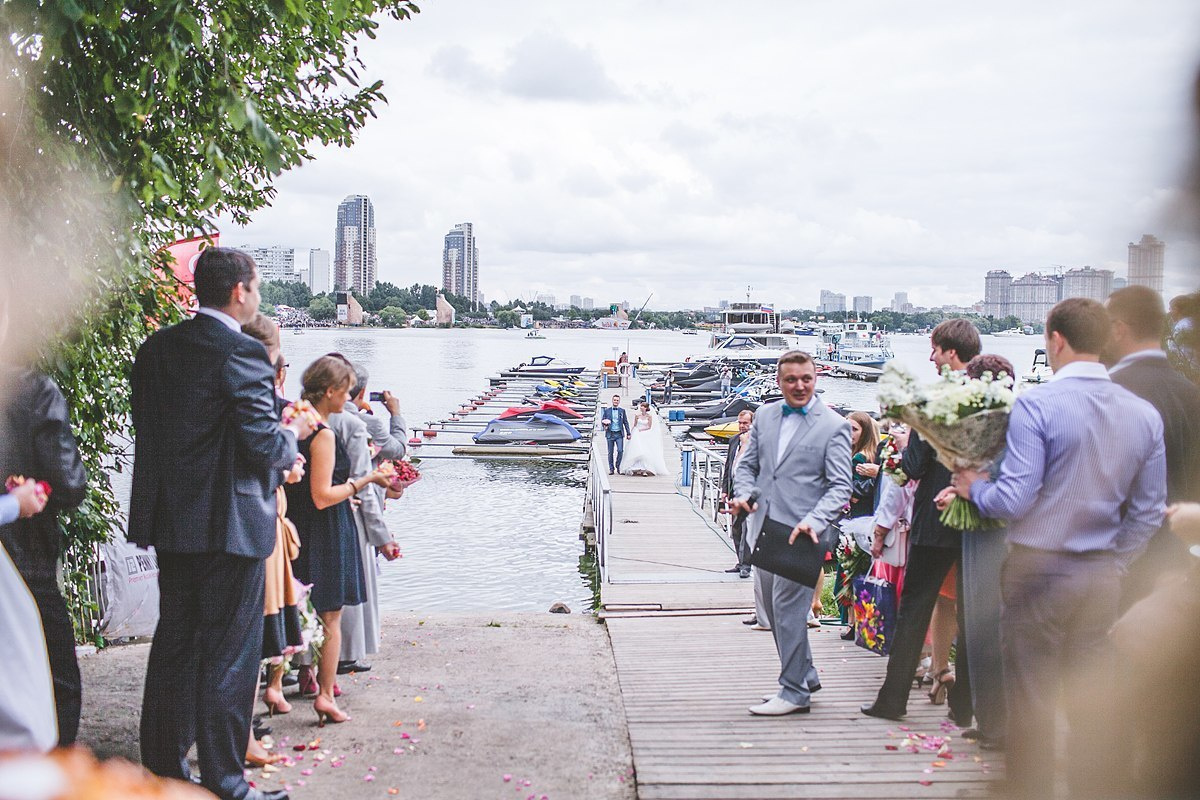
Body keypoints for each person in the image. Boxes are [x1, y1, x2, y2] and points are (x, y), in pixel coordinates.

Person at [953, 298, 1166, 799]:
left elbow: (1015, 497)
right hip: (1099, 577)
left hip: (1037, 570)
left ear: (1056, 339)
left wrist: (974, 489)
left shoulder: (1038, 404)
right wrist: (1115, 563)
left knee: (1030, 694)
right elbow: (1150, 509)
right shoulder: (1142, 413)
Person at [130, 247, 311, 800]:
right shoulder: (242, 353)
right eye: (255, 287)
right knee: (230, 657)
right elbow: (261, 442)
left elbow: (157, 431)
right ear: (239, 291)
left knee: (175, 646)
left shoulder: (156, 348)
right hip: (229, 525)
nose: (256, 297)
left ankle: (162, 769)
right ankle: (227, 781)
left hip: (171, 518)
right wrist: (295, 437)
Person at [861, 318, 979, 725]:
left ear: (950, 352)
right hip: (979, 521)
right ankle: (965, 706)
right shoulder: (995, 397)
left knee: (915, 610)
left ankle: (893, 700)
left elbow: (911, 468)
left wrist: (903, 442)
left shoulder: (935, 401)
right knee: (972, 612)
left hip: (934, 520)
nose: (930, 358)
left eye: (933, 350)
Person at [731, 350, 852, 716]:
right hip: (763, 527)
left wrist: (814, 521)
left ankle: (794, 691)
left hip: (804, 533)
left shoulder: (834, 425)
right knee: (772, 606)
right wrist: (744, 496)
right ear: (779, 381)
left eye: (806, 379)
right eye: (790, 379)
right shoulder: (765, 416)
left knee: (787, 609)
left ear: (816, 379)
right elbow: (748, 466)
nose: (799, 386)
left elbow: (840, 487)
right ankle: (806, 673)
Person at [284, 356, 392, 727]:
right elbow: (321, 495)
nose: (349, 398)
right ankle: (326, 695)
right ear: (330, 392)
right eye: (345, 391)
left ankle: (289, 678)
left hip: (297, 525)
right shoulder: (324, 434)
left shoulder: (293, 424)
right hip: (325, 529)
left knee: (292, 610)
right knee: (330, 617)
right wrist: (365, 482)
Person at [934, 353, 1014, 749]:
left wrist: (971, 490)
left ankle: (999, 723)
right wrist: (957, 491)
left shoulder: (1009, 428)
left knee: (989, 627)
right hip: (977, 531)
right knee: (974, 627)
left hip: (997, 537)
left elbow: (1002, 483)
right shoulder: (985, 427)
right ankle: (988, 718)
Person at [1104, 285, 1200, 608]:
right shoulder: (1191, 392)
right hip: (1179, 560)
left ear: (1118, 329)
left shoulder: (1108, 392)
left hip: (1119, 560)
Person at [238, 314, 304, 768]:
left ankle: (239, 723)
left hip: (255, 517)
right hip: (252, 523)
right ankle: (237, 730)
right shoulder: (255, 391)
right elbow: (260, 450)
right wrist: (289, 454)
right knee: (242, 634)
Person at [328, 359, 401, 675]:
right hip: (351, 508)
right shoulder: (357, 424)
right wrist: (396, 413)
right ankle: (343, 658)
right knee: (352, 586)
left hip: (317, 510)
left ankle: (303, 665)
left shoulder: (306, 419)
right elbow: (393, 451)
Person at [344, 364, 407, 463]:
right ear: (362, 392)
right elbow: (398, 451)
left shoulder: (317, 415)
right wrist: (396, 414)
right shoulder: (369, 424)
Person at [721, 409, 755, 579]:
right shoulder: (734, 440)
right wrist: (724, 490)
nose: (742, 426)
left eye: (745, 423)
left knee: (747, 529)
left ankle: (746, 565)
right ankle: (740, 561)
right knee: (736, 529)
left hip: (749, 494)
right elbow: (729, 466)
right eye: (740, 423)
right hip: (735, 491)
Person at [621, 401, 670, 477]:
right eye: (641, 406)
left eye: (643, 406)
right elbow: (635, 425)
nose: (641, 408)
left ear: (646, 408)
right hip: (637, 434)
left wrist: (642, 430)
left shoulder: (649, 416)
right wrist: (630, 433)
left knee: (644, 451)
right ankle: (636, 467)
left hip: (645, 434)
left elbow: (649, 426)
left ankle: (644, 469)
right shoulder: (637, 416)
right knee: (637, 450)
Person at [601, 394, 632, 475]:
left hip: (619, 434)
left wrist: (628, 433)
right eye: (614, 400)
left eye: (617, 400)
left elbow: (625, 422)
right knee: (610, 452)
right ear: (612, 400)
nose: (616, 401)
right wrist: (604, 426)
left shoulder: (622, 411)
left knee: (620, 450)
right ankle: (611, 469)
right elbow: (603, 420)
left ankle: (618, 466)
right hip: (610, 434)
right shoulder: (607, 411)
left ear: (619, 401)